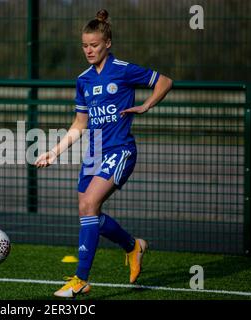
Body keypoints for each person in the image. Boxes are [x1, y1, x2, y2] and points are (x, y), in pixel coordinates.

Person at [35, 9, 172, 298]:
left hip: (121, 150)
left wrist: (146, 105)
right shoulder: (83, 79)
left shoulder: (123, 69)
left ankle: (80, 279)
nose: (88, 50)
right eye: (84, 45)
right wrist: (54, 151)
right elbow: (80, 124)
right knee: (87, 211)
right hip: (94, 153)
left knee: (89, 205)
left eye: (94, 45)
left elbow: (164, 82)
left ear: (107, 43)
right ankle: (132, 246)